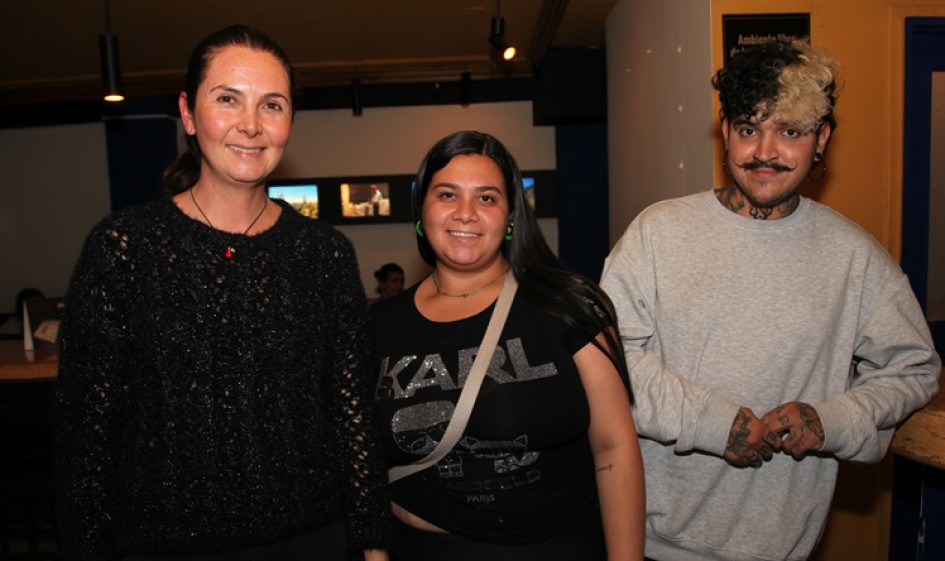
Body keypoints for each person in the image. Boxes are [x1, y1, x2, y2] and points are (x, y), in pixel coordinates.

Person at [55, 25, 389, 561]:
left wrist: (373, 543)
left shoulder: (325, 254)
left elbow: (352, 417)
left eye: (272, 105)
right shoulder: (124, 247)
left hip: (314, 538)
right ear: (188, 113)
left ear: (290, 122)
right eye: (228, 99)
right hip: (161, 545)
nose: (251, 126)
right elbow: (86, 437)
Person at [600, 39, 941, 561]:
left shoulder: (855, 257)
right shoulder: (658, 233)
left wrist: (834, 420)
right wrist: (713, 423)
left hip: (782, 548)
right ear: (726, 132)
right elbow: (609, 360)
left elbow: (914, 368)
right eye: (748, 128)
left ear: (821, 138)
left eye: (790, 131)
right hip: (650, 543)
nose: (764, 151)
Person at [371, 130, 645, 560]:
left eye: (486, 198)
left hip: (554, 548)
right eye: (447, 195)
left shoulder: (569, 304)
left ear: (512, 215)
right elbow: (361, 465)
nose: (466, 214)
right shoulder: (376, 326)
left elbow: (614, 446)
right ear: (421, 211)